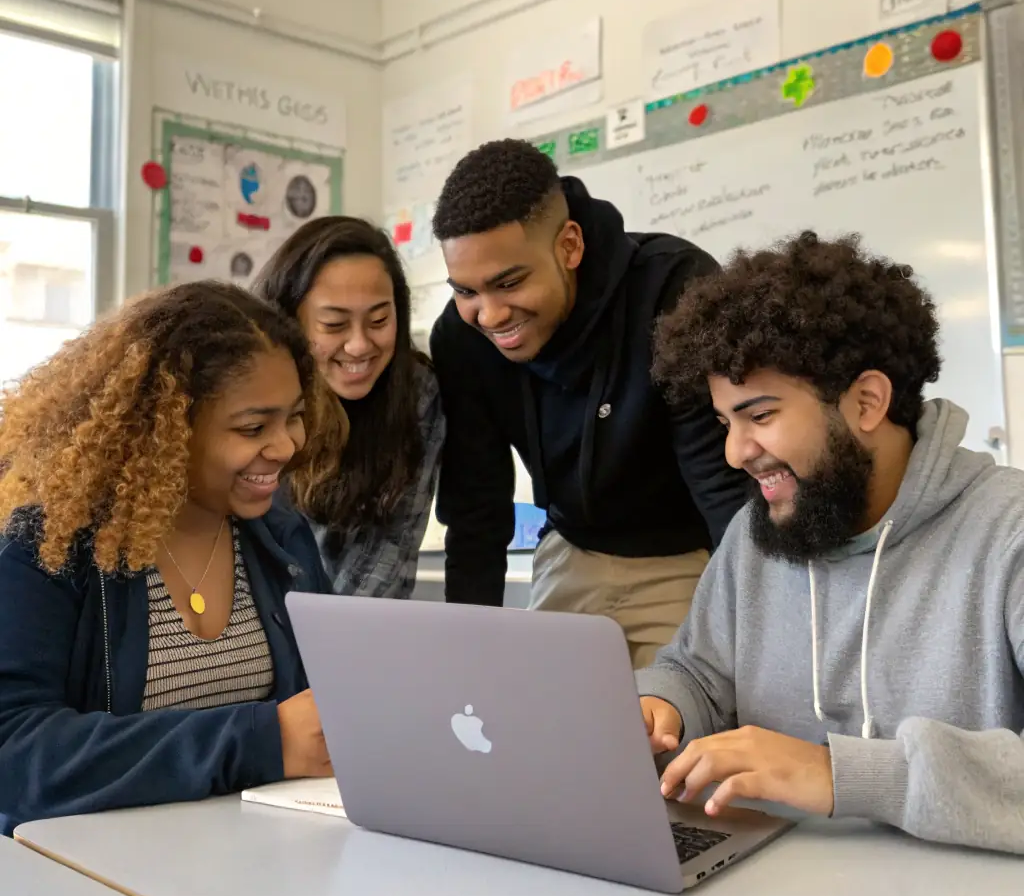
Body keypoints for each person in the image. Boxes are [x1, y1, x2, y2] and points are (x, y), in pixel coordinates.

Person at [637, 230, 1024, 856]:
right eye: (725, 423)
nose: (736, 452)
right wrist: (662, 704)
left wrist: (841, 775)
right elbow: (699, 671)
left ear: (867, 402)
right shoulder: (760, 532)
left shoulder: (1010, 531)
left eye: (760, 417)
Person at [0, 281, 347, 835]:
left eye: (295, 417)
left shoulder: (283, 541)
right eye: (253, 428)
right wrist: (262, 739)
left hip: (263, 866)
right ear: (165, 429)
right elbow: (15, 753)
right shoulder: (50, 544)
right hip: (93, 876)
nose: (286, 446)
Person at [430, 140, 748, 667]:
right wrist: (470, 650)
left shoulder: (674, 290)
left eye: (508, 283)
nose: (488, 316)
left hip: (686, 557)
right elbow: (475, 503)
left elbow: (724, 489)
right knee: (545, 732)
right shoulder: (461, 338)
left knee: (671, 736)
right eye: (465, 291)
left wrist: (755, 619)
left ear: (569, 246)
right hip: (570, 549)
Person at [253, 217, 444, 599]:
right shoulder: (252, 394)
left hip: (355, 629)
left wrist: (335, 637)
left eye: (379, 320)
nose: (359, 345)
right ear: (288, 322)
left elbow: (390, 553)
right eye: (334, 324)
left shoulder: (416, 394)